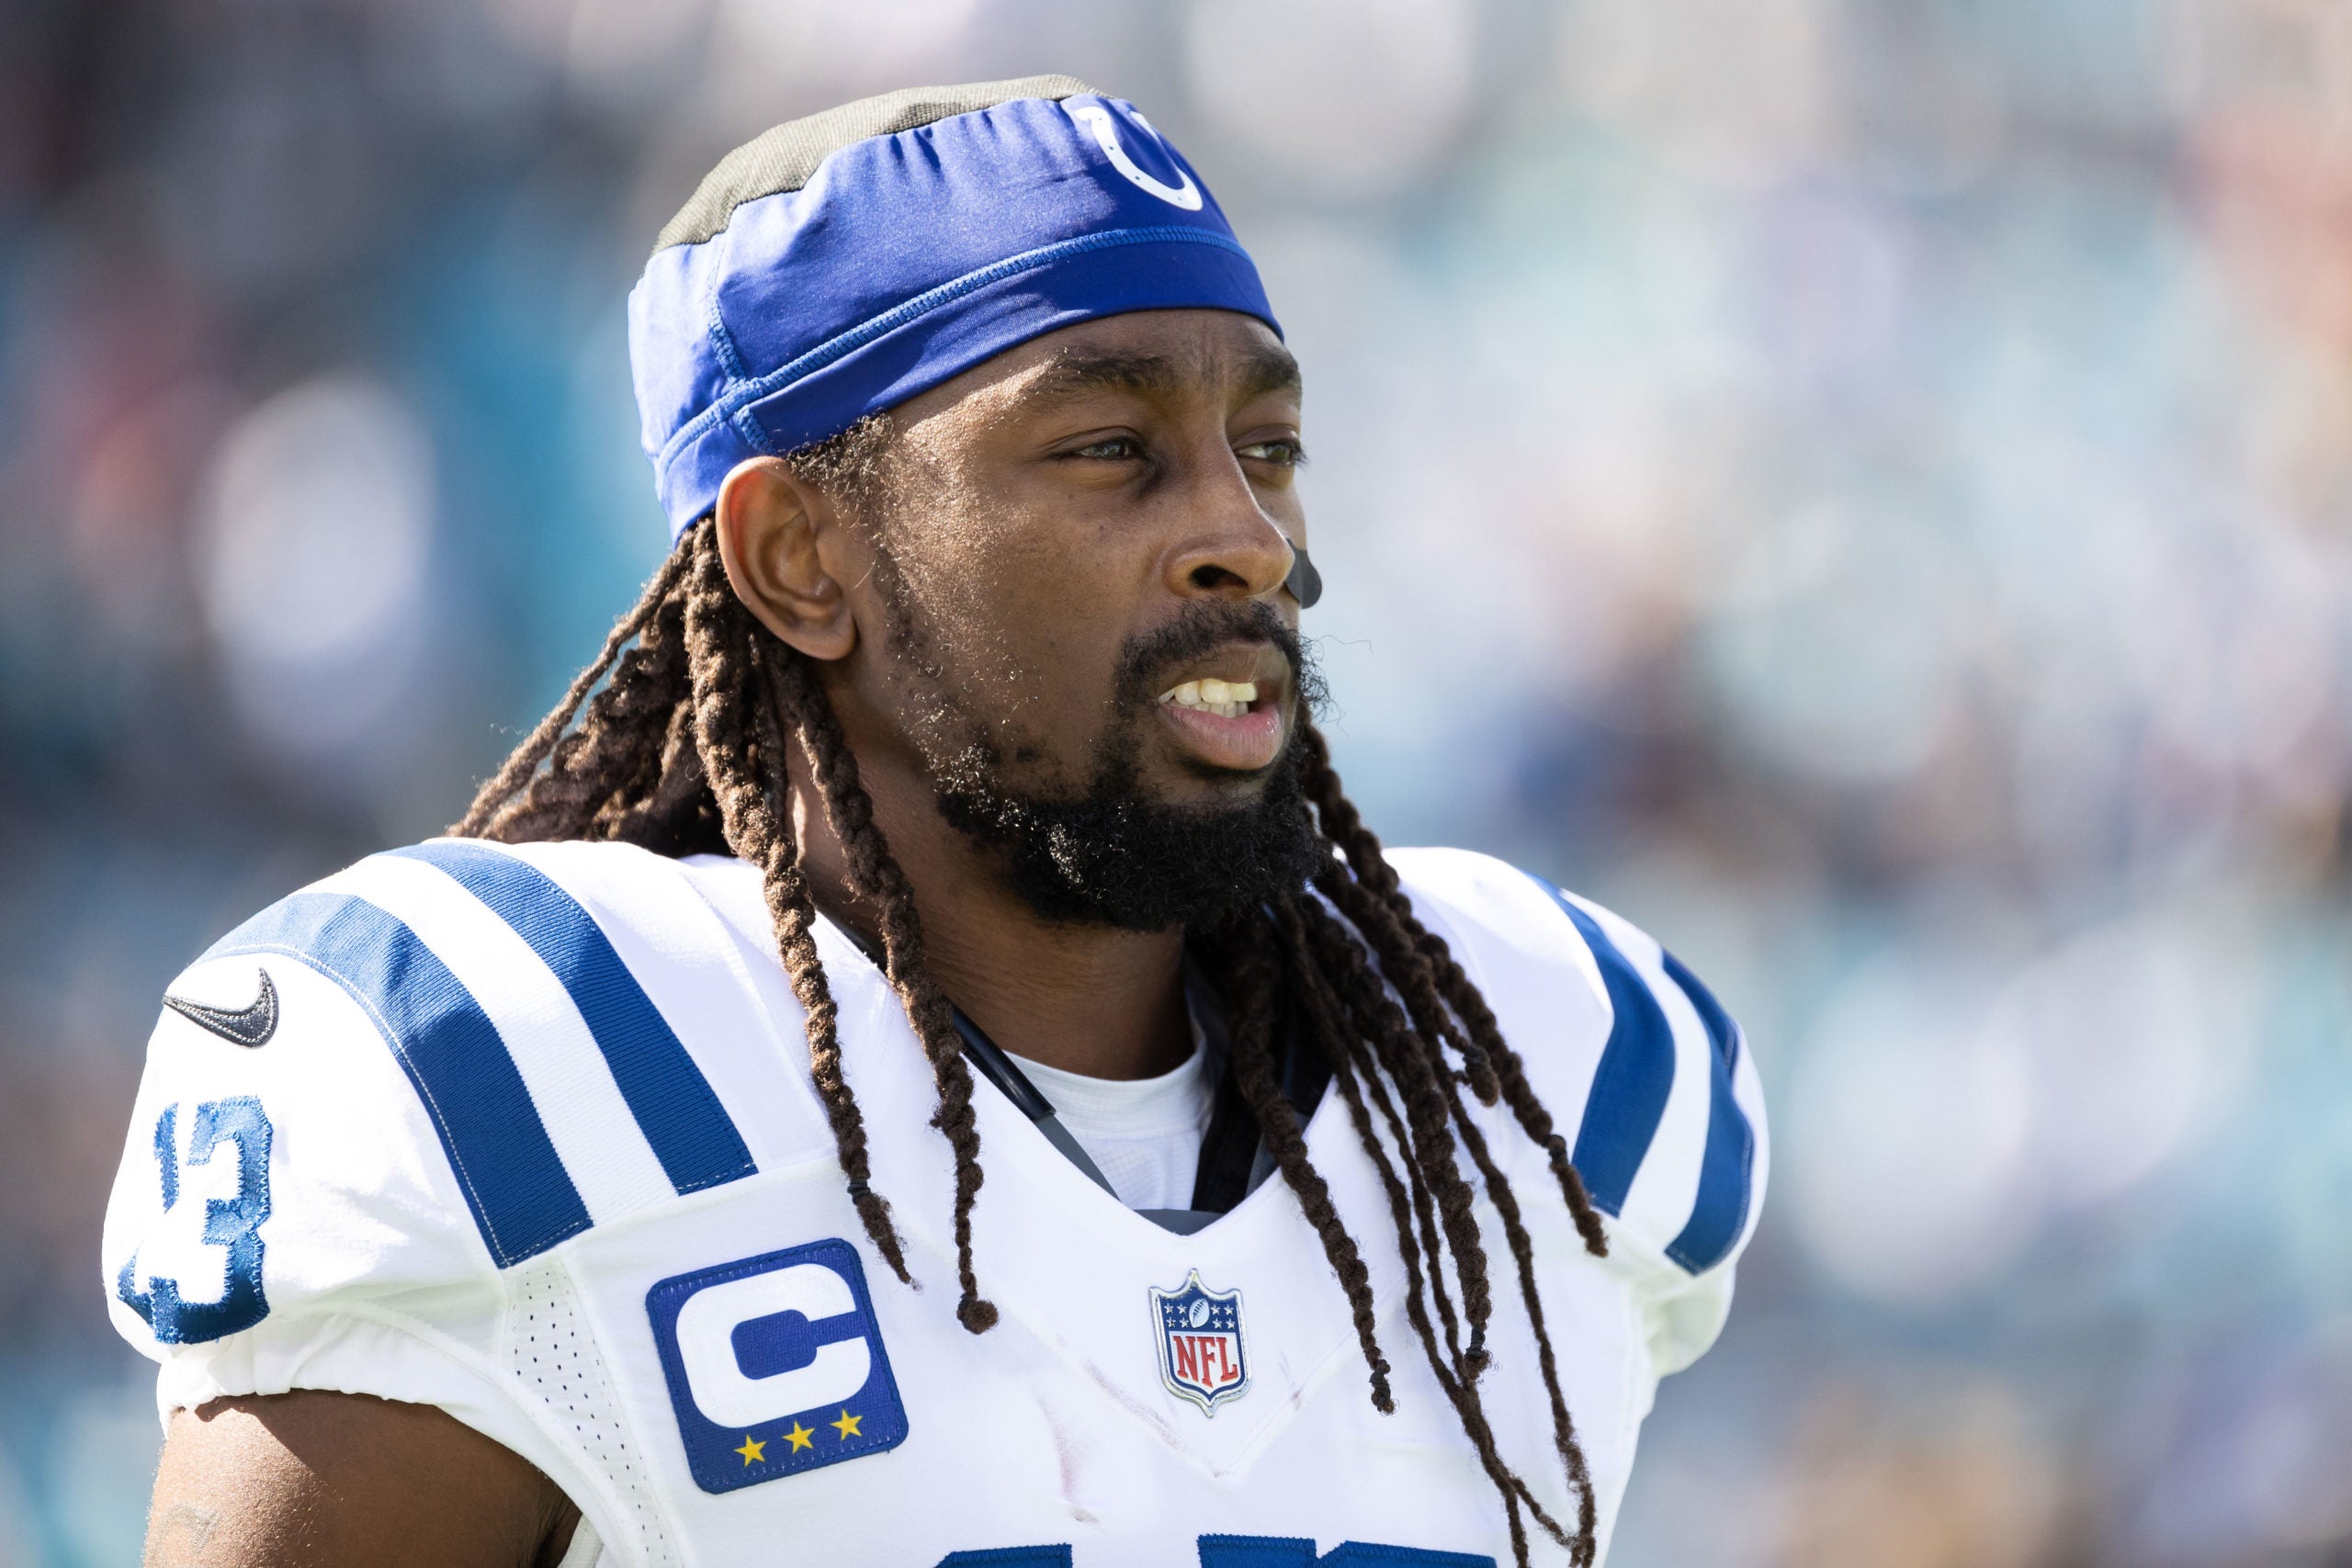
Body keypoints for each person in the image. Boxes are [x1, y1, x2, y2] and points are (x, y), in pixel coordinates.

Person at [103, 76, 1766, 1568]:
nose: (1246, 537)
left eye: (1268, 446)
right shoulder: (524, 1068)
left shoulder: (1541, 1071)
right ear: (798, 562)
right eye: (1113, 449)